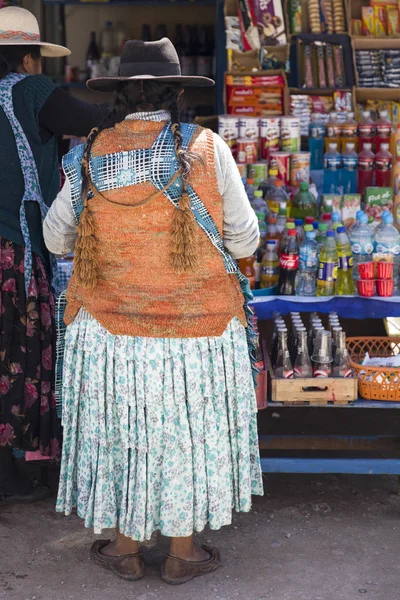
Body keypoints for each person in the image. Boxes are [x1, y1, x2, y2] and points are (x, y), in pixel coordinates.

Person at [44, 38, 263, 585]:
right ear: (176, 93)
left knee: (122, 432)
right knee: (185, 435)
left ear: (119, 92)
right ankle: (182, 553)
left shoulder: (90, 152)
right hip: (199, 329)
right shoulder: (206, 148)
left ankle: (124, 548)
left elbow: (54, 238)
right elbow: (244, 236)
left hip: (111, 330)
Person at [0, 6, 110, 502]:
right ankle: (7, 473)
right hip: (13, 251)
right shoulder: (29, 90)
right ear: (27, 58)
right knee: (13, 361)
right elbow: (96, 122)